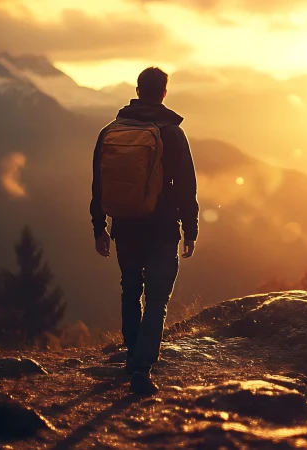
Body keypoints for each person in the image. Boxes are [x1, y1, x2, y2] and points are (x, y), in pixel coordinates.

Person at [90, 67, 199, 395]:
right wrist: (191, 229)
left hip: (124, 224)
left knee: (130, 289)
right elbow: (185, 187)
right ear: (164, 92)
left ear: (137, 90)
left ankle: (131, 355)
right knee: (156, 298)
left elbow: (99, 185)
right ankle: (141, 366)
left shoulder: (111, 130)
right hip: (163, 226)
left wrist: (99, 227)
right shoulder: (172, 134)